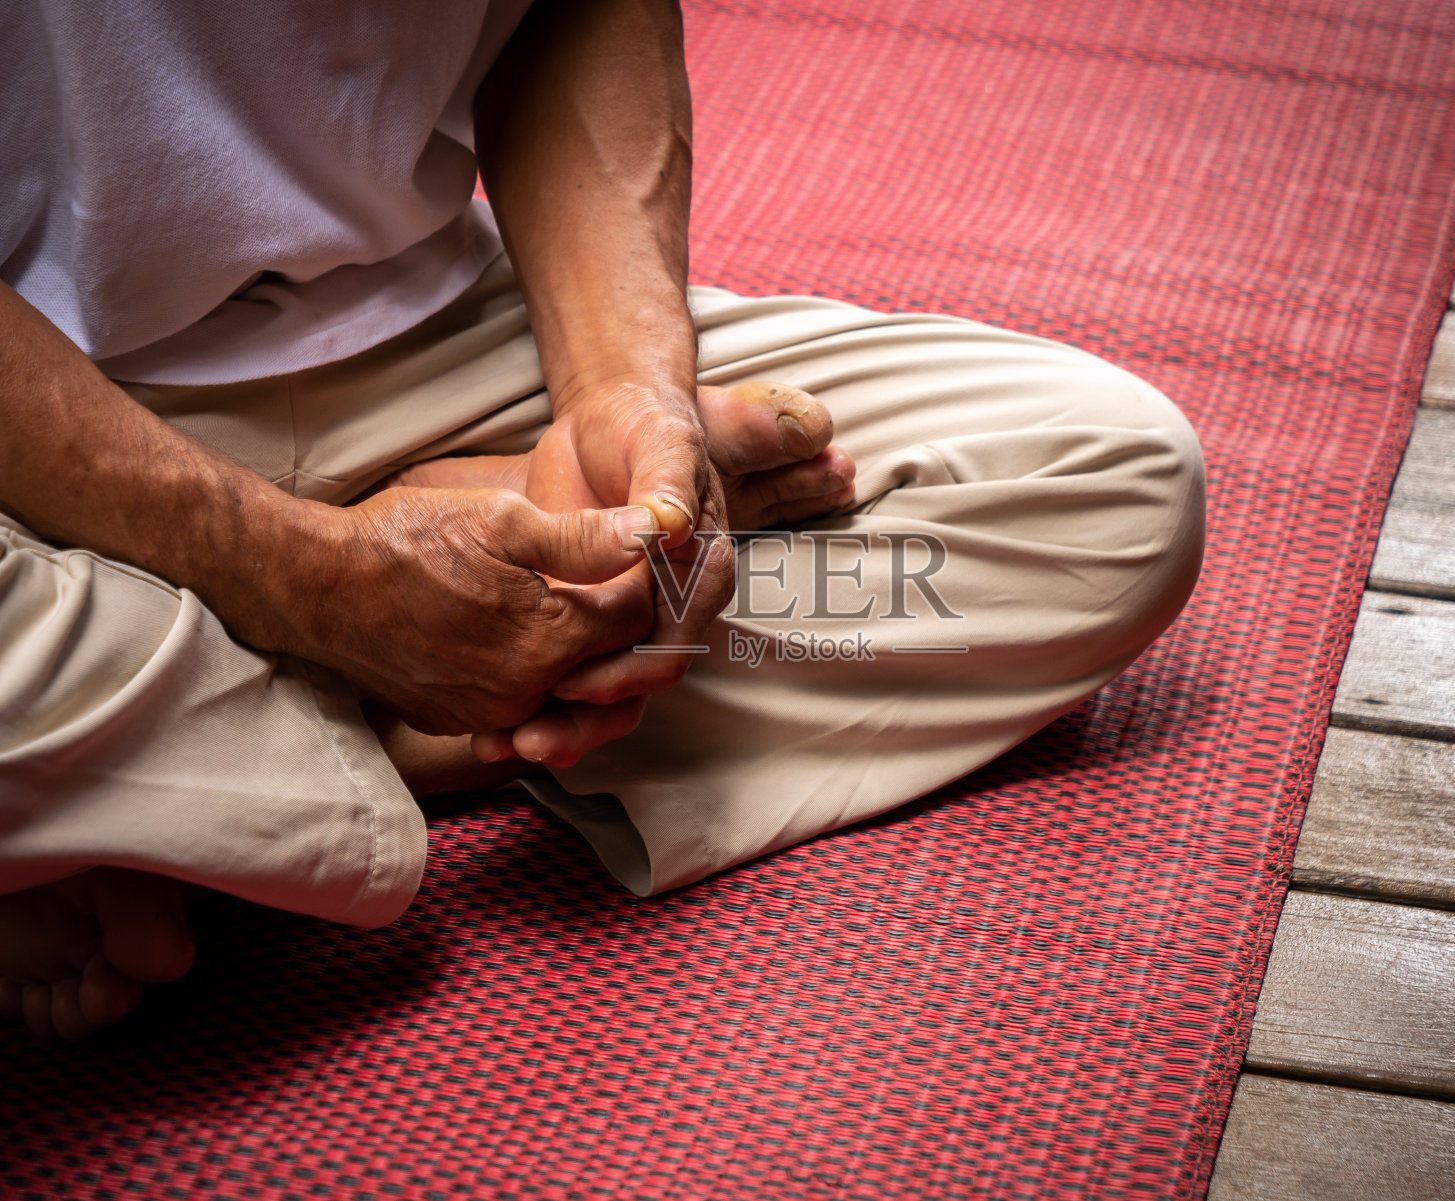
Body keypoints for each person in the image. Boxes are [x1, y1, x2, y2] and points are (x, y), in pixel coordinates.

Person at [0, 0, 1205, 1040]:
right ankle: (338, 683)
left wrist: (620, 391)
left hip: (437, 335)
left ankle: (180, 779)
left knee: (1105, 489)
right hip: (41, 429)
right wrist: (299, 574)